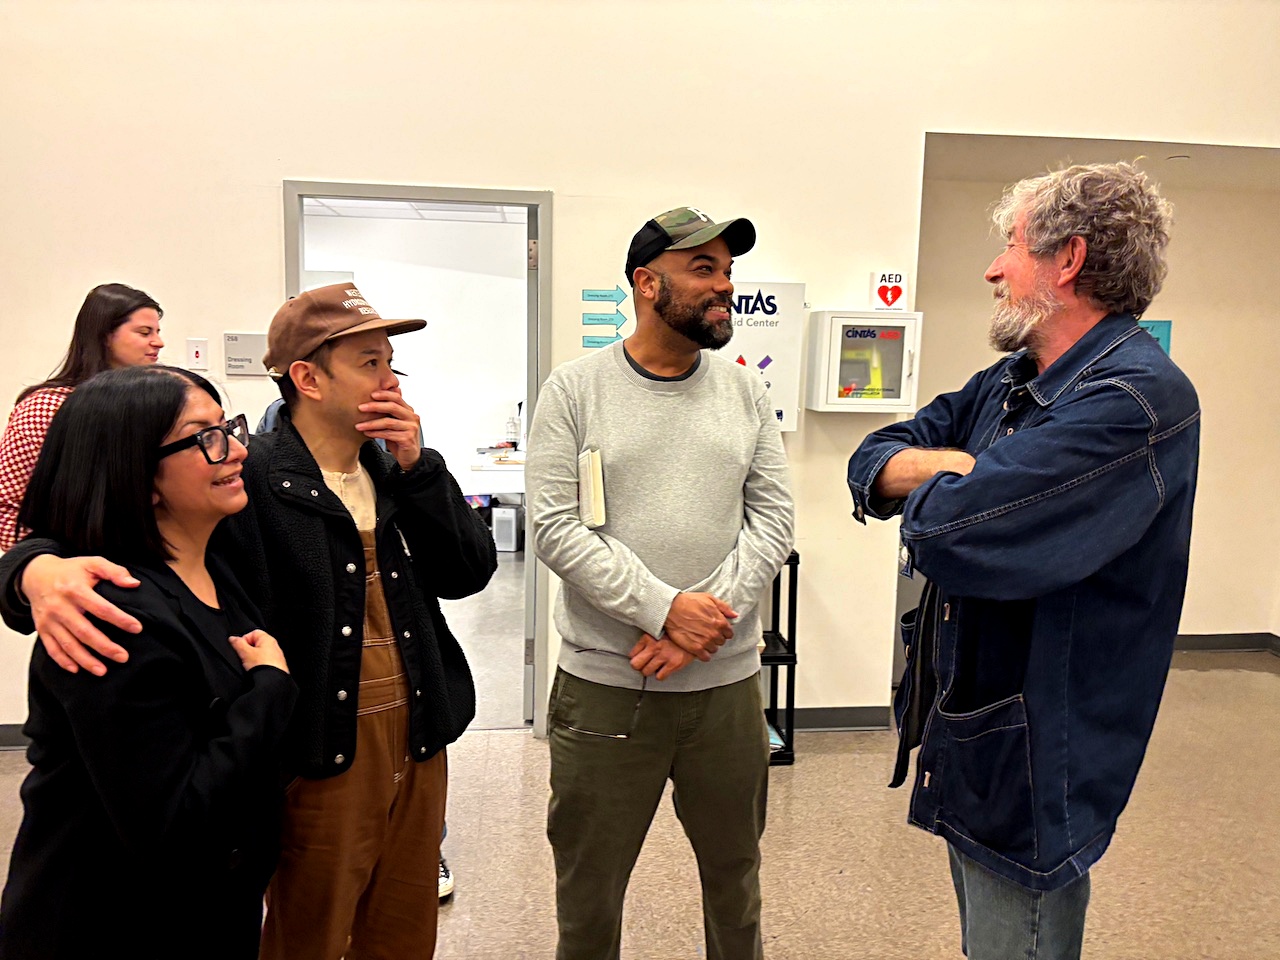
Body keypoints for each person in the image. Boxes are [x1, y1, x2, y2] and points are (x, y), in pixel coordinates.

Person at [0, 283, 497, 959]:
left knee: (402, 931)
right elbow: (97, 533)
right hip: (313, 751)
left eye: (391, 363)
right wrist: (30, 569)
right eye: (370, 363)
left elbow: (467, 572)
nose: (391, 382)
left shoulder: (388, 468)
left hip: (417, 736)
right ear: (308, 379)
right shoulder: (246, 479)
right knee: (308, 933)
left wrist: (419, 468)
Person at [847, 162, 1199, 960]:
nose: (993, 269)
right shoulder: (1015, 379)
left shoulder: (1134, 401)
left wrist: (942, 485)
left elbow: (946, 533)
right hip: (975, 735)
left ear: (1067, 259)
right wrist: (956, 468)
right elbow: (874, 458)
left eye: (1010, 244)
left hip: (1038, 759)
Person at [526, 206, 795, 960]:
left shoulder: (744, 392)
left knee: (736, 887)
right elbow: (554, 527)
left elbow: (773, 521)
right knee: (588, 900)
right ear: (647, 284)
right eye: (703, 269)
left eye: (728, 271)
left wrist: (701, 626)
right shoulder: (574, 390)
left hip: (725, 691)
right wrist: (664, 608)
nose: (725, 286)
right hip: (607, 692)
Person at [0, 365, 296, 960]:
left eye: (228, 427)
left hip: (204, 907)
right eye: (205, 437)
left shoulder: (211, 563)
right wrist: (268, 689)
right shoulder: (114, 619)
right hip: (114, 925)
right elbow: (175, 826)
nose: (237, 449)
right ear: (138, 474)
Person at [0, 282, 165, 550]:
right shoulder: (45, 408)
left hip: (147, 556)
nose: (158, 342)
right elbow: (7, 504)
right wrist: (43, 562)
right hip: (70, 560)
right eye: (144, 332)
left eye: (157, 332)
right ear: (105, 335)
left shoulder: (155, 403)